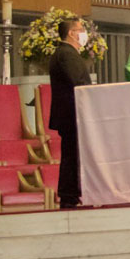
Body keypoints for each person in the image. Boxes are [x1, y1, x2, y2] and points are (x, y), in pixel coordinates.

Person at [49, 18, 92, 208]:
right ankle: (68, 195)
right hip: (71, 113)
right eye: (80, 29)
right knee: (71, 155)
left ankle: (72, 193)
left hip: (71, 112)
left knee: (73, 154)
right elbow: (78, 82)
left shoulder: (67, 53)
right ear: (71, 33)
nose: (83, 32)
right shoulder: (66, 54)